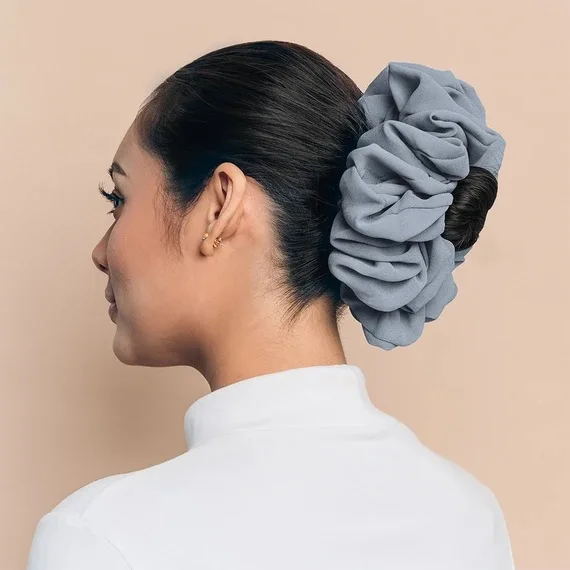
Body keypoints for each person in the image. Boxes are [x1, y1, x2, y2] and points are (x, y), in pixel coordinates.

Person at [26, 40, 514, 569]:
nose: (100, 253)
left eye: (118, 200)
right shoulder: (468, 516)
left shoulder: (102, 535)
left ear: (220, 205)